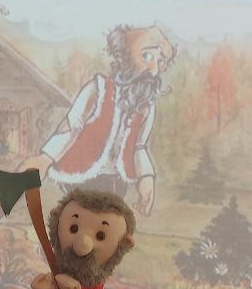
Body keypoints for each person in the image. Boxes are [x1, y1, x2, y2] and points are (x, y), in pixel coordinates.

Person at [38, 24, 176, 215]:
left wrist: (146, 177)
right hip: (81, 176)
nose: (153, 70)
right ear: (124, 56)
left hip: (116, 181)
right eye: (146, 56)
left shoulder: (146, 106)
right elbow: (69, 128)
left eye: (161, 62)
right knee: (82, 221)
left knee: (107, 225)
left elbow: (139, 146)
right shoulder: (98, 89)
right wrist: (45, 158)